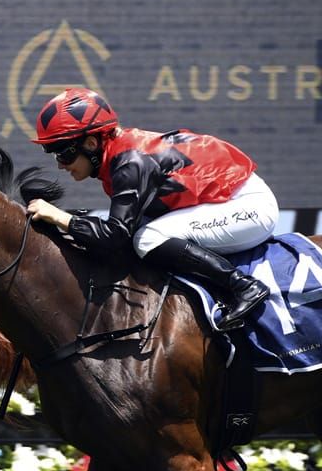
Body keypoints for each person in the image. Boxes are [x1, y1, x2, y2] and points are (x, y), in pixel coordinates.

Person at [26, 87, 278, 331]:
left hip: (249, 207)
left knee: (148, 239)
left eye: (63, 154)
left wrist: (60, 217)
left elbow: (115, 236)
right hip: (224, 202)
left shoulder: (130, 163)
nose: (60, 165)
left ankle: (243, 286)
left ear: (91, 143)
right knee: (143, 236)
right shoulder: (118, 157)